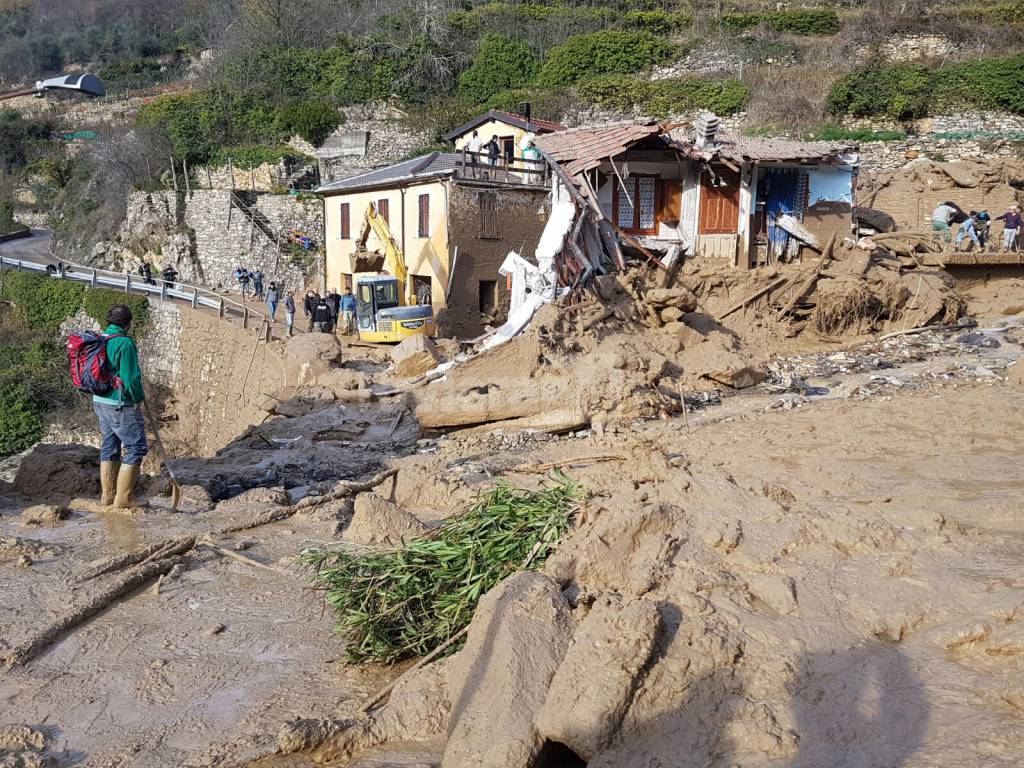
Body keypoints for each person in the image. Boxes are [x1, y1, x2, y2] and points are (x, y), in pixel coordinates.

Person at [92, 304, 148, 511]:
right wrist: (138, 397)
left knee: (110, 446)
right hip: (119, 403)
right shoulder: (124, 343)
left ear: (108, 321)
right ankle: (124, 498)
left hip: (100, 400)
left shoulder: (100, 339)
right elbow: (131, 377)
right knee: (135, 447)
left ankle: (107, 497)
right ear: (128, 323)